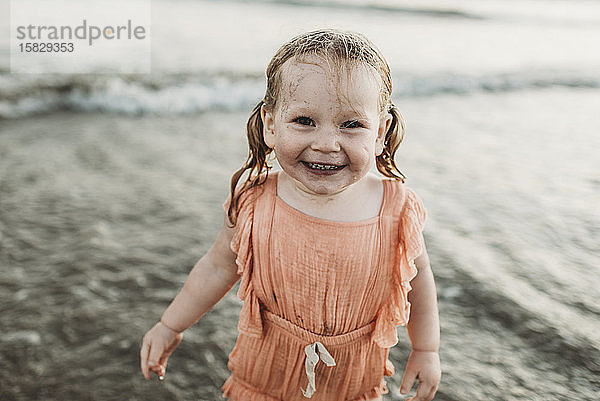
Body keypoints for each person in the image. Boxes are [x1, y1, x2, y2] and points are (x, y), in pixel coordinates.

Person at [140, 29, 441, 401]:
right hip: (265, 373)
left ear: (379, 133)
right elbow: (217, 268)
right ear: (270, 124)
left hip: (352, 381)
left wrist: (426, 349)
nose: (326, 143)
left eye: (351, 125)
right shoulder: (254, 200)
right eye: (304, 120)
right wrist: (170, 325)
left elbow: (418, 280)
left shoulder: (396, 208)